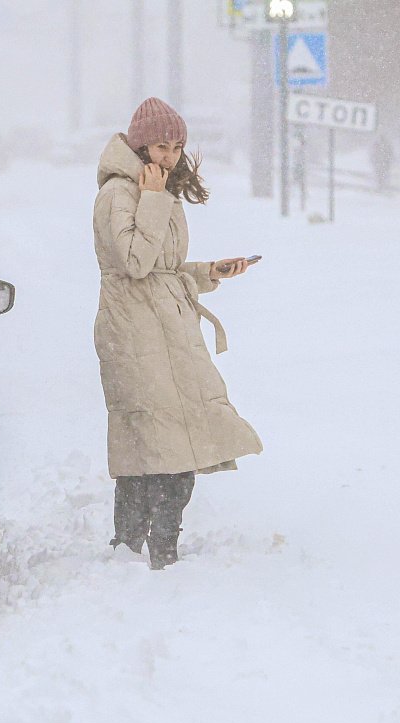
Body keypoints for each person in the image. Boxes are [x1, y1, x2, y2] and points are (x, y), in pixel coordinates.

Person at [92, 97, 263, 570]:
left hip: (165, 329)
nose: (169, 157)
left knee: (165, 441)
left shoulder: (155, 189)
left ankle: (142, 549)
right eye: (160, 147)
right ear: (140, 146)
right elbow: (134, 263)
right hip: (135, 333)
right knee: (158, 443)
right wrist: (152, 199)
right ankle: (145, 552)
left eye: (176, 147)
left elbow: (160, 268)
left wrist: (209, 272)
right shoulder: (120, 193)